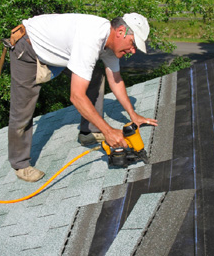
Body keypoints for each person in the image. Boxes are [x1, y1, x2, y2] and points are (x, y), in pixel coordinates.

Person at [8, 12, 158, 182]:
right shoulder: (90, 39)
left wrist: (133, 115)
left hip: (60, 51)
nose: (132, 50)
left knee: (95, 77)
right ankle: (20, 164)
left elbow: (115, 80)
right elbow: (76, 96)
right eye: (132, 44)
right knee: (22, 109)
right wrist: (108, 131)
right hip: (29, 47)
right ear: (121, 32)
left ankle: (88, 132)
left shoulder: (110, 43)